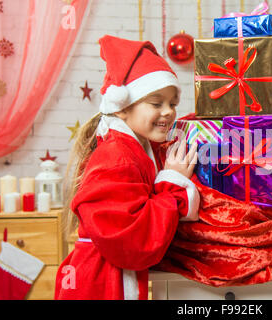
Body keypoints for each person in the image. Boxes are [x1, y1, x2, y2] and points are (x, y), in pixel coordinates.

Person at [55, 35, 200, 300]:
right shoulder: (116, 158)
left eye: (173, 104)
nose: (168, 112)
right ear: (122, 108)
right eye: (157, 103)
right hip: (100, 284)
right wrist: (173, 184)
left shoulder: (136, 146)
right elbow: (133, 241)